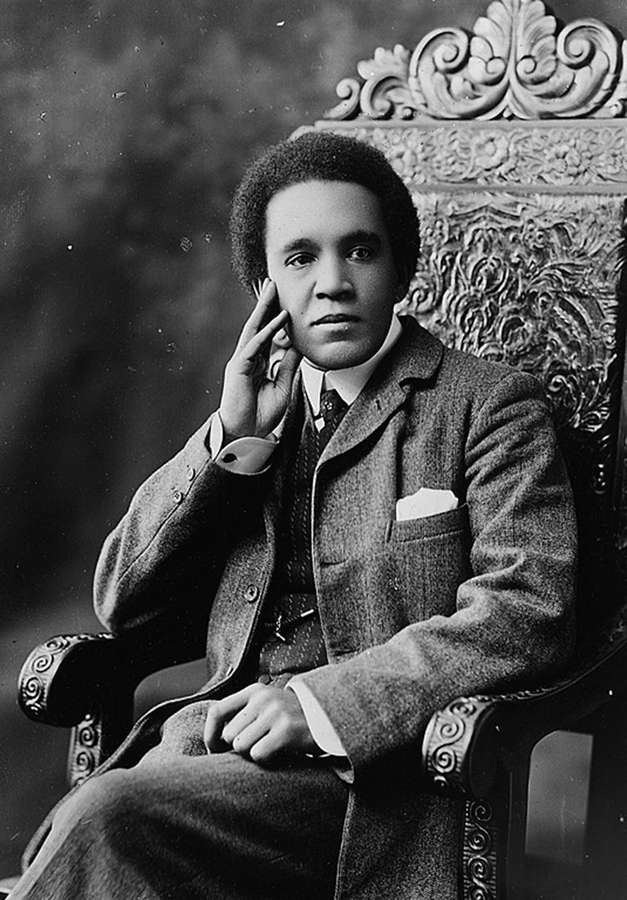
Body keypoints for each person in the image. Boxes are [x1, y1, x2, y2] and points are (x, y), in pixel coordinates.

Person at [9, 131, 577, 899]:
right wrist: (229, 443)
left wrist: (318, 706)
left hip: (373, 779)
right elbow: (128, 605)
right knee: (91, 826)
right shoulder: (260, 420)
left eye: (360, 252)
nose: (333, 283)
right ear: (265, 288)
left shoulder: (487, 408)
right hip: (211, 755)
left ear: (400, 268)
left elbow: (525, 610)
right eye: (301, 258)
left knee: (107, 820)